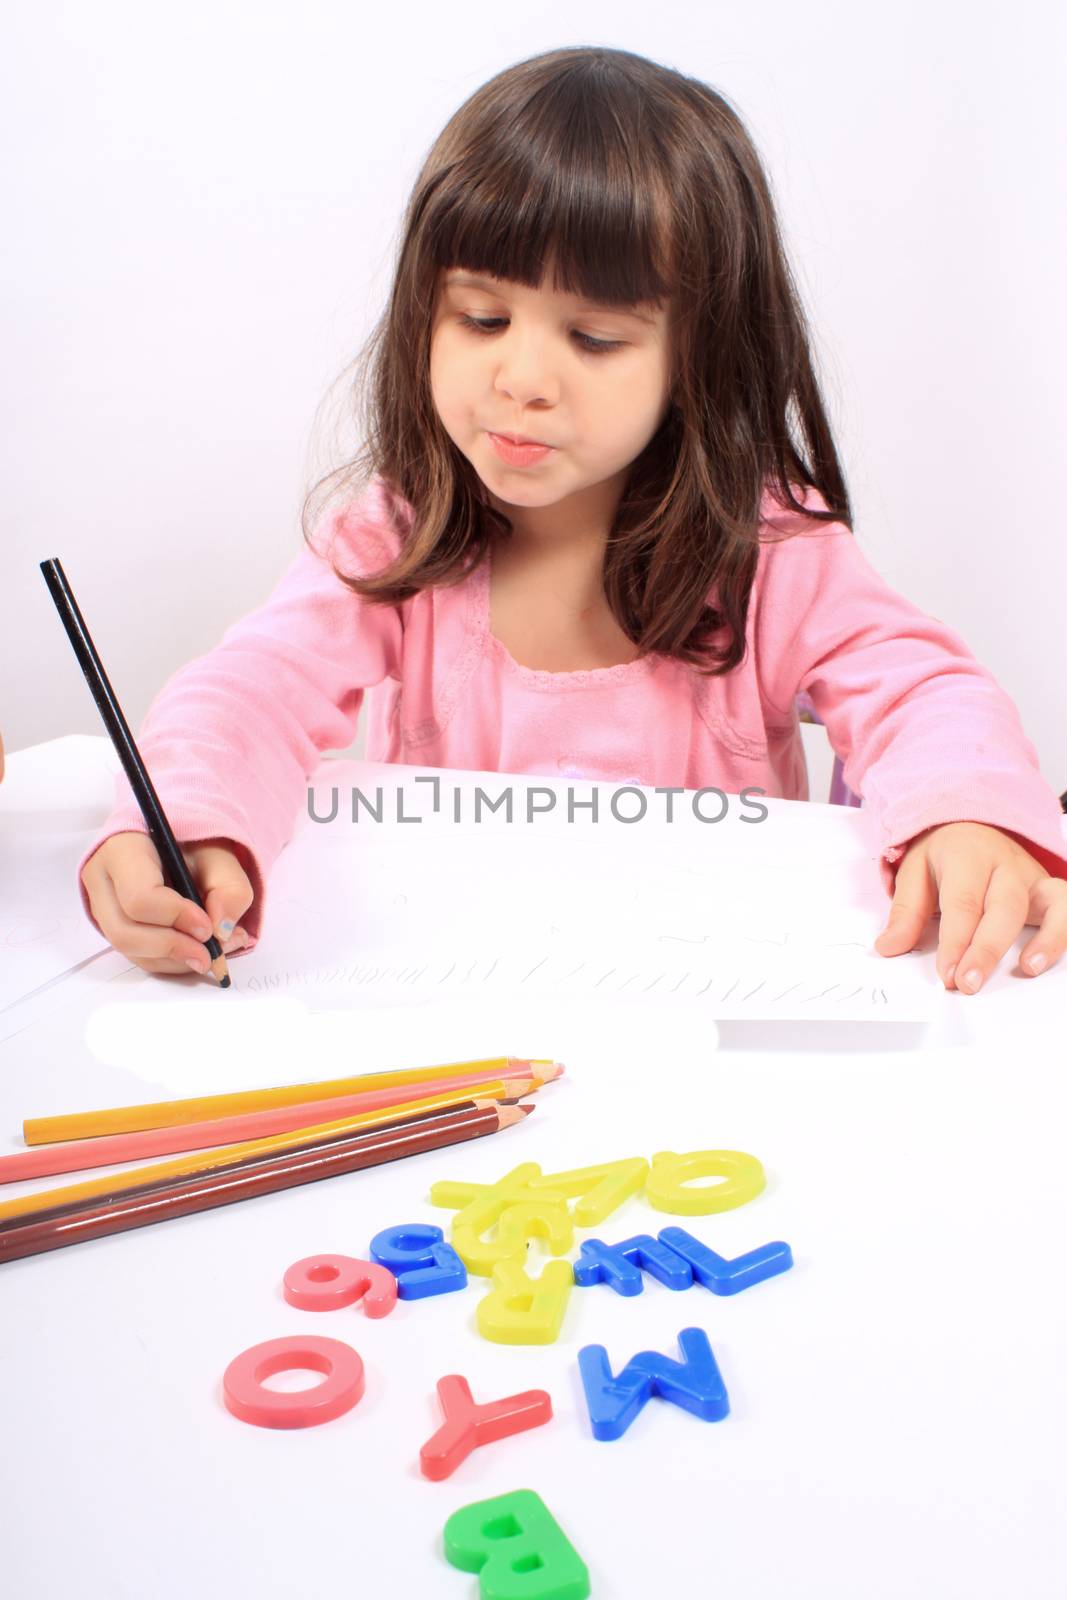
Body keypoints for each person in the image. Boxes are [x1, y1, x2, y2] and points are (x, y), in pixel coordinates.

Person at [77, 45, 1067, 992]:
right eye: (479, 318)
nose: (520, 379)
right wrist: (189, 823)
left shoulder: (771, 550)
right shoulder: (395, 537)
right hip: (457, 1015)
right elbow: (252, 689)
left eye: (592, 337)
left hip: (709, 1014)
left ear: (697, 353)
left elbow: (922, 693)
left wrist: (968, 819)